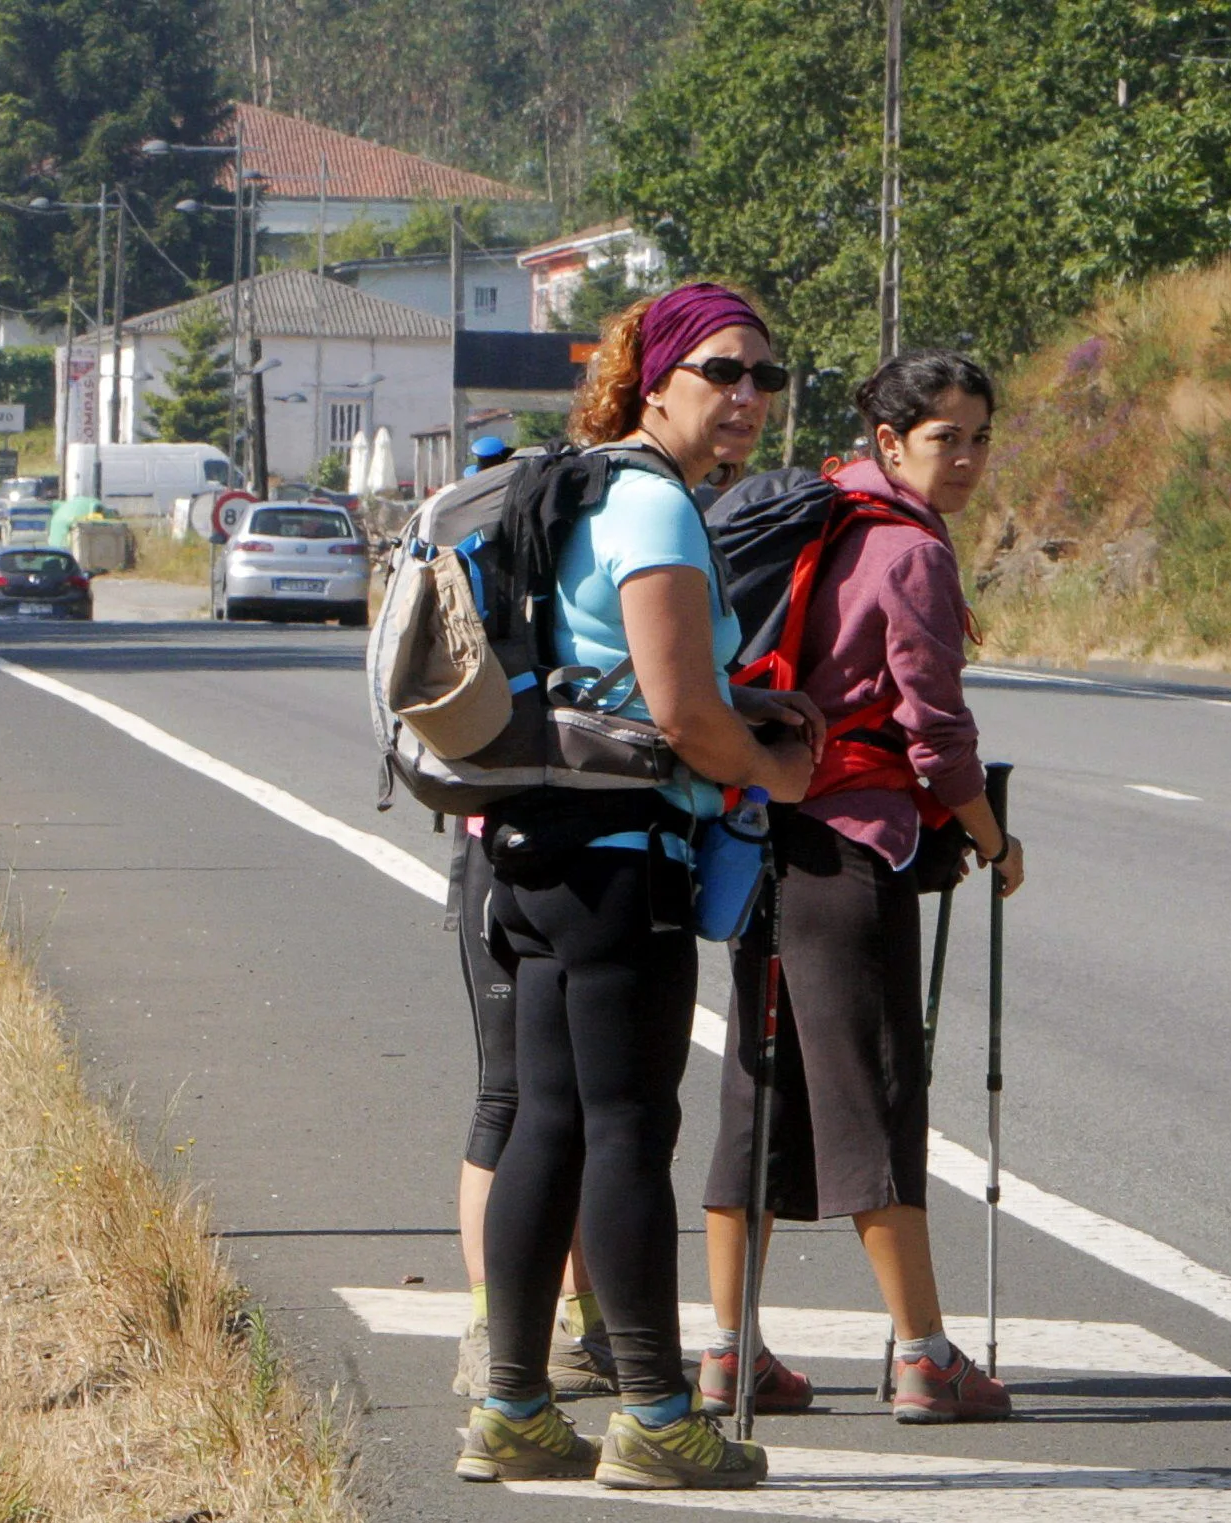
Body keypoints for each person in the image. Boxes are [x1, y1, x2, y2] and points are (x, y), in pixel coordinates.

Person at [455, 283, 818, 1489]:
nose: (748, 396)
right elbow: (679, 711)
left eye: (764, 376)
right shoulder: (653, 505)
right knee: (626, 1129)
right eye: (722, 370)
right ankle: (658, 1413)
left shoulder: (575, 485)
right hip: (623, 859)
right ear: (653, 377)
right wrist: (771, 762)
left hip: (532, 845)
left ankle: (510, 1406)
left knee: (548, 1124)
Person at [696, 350, 1025, 1425]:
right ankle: (924, 1357)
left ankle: (730, 1350)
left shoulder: (818, 517)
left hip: (764, 837)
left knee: (759, 1092)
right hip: (849, 851)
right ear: (891, 443)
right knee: (876, 1096)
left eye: (978, 435)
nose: (967, 458)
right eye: (946, 438)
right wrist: (992, 836)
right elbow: (934, 734)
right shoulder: (908, 551)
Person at [446, 815, 613, 1401]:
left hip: (596, 846)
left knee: (587, 1095)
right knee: (508, 1093)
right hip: (506, 842)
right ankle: (491, 1329)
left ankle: (588, 1326)